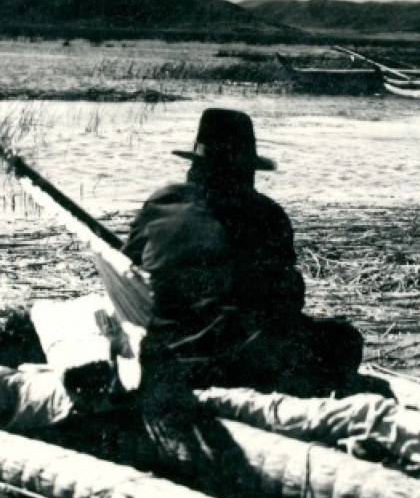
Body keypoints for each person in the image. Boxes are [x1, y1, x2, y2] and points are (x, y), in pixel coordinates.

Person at [123, 109, 369, 475]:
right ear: (245, 168)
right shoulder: (266, 216)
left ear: (196, 163)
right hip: (234, 361)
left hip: (163, 357)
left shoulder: (160, 203)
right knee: (344, 340)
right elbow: (286, 303)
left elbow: (130, 271)